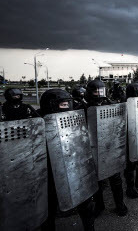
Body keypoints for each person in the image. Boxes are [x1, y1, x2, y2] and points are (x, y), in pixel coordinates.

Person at [39, 89, 96, 231]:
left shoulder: (75, 117)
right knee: (48, 205)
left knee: (85, 199)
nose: (66, 107)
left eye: (67, 104)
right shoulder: (39, 121)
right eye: (62, 104)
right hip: (49, 170)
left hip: (75, 162)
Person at [84, 79, 128, 217]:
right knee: (97, 179)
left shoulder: (109, 104)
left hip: (109, 146)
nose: (98, 94)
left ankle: (120, 205)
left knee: (115, 177)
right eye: (95, 91)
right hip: (91, 148)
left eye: (100, 91)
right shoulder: (83, 107)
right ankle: (100, 205)